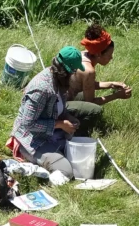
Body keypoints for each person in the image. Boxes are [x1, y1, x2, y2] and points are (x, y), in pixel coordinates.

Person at [7, 46, 85, 179]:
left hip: (49, 134)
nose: (73, 75)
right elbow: (28, 123)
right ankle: (33, 171)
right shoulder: (41, 89)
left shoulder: (58, 82)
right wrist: (60, 124)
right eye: (73, 72)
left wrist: (68, 117)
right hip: (31, 139)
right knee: (66, 171)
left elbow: (58, 108)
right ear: (66, 71)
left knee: (80, 152)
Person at [65, 24, 132, 130]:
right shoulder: (88, 70)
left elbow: (86, 84)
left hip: (57, 98)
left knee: (83, 94)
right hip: (55, 106)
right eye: (109, 55)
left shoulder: (82, 55)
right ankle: (78, 130)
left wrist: (112, 84)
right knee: (95, 110)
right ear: (99, 54)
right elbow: (90, 103)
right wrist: (117, 96)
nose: (111, 58)